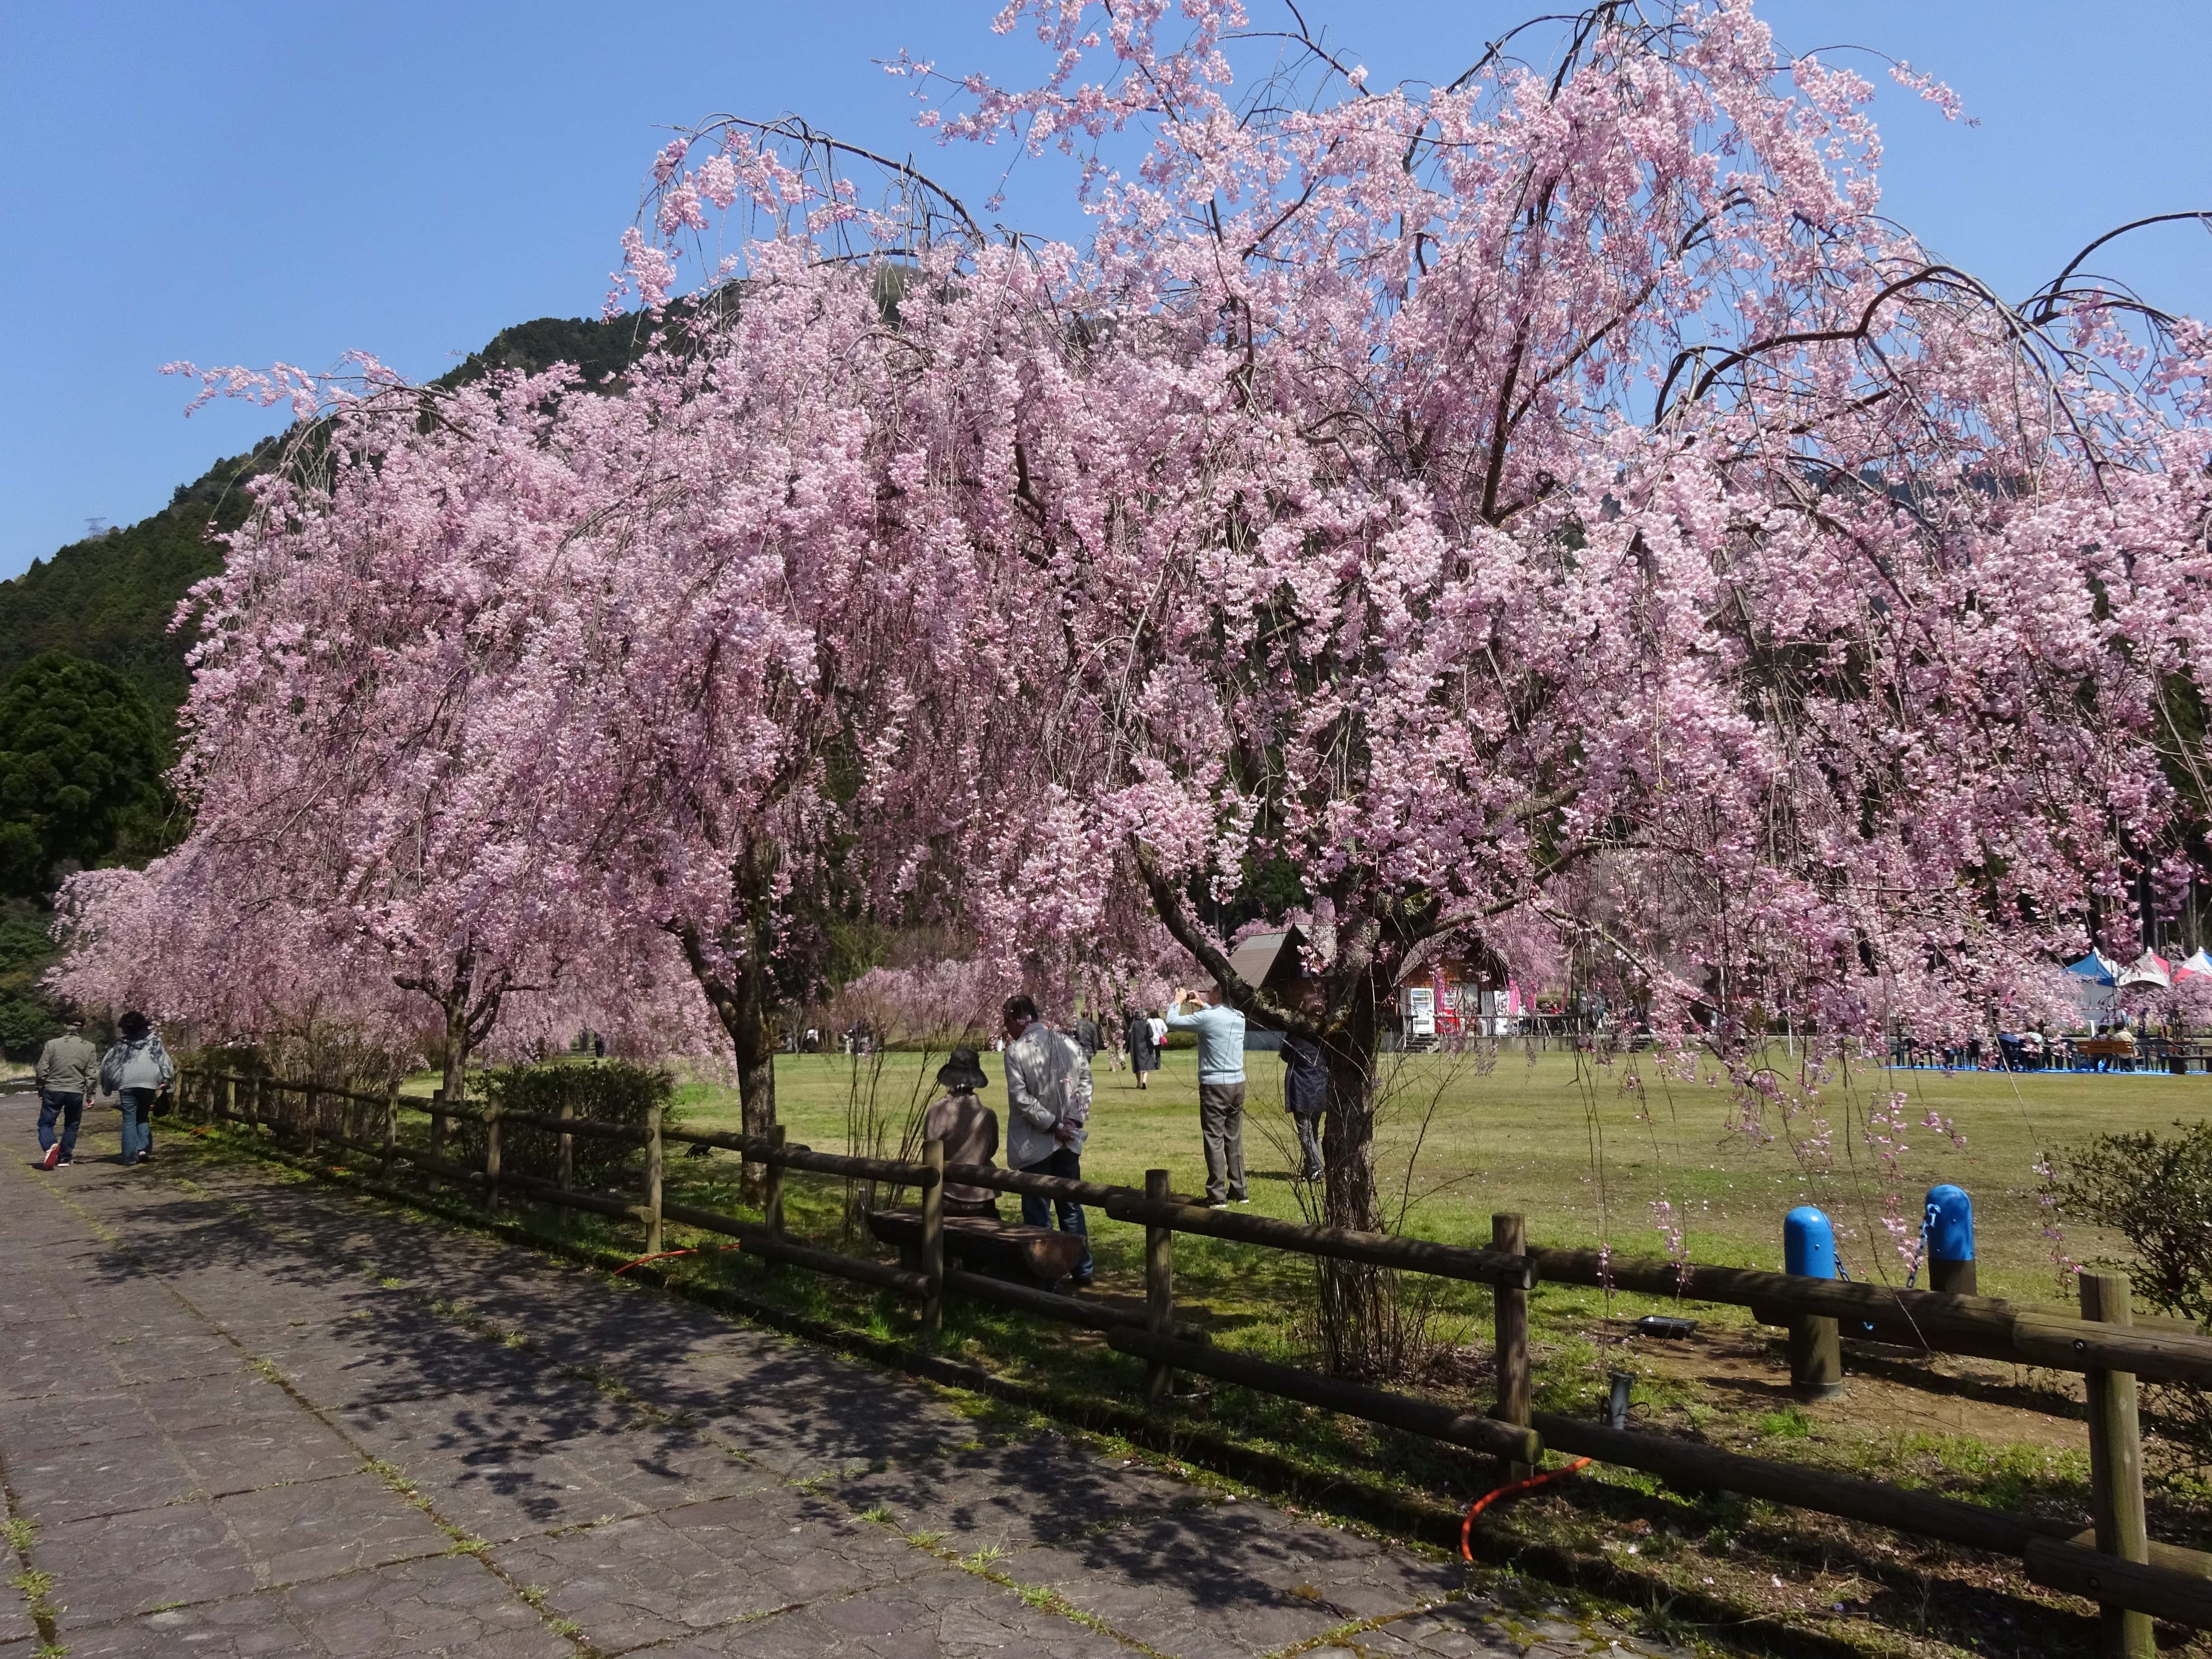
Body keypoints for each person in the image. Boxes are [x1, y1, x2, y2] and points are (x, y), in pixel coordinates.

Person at [1001, 994, 1094, 1286]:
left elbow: (1021, 1100)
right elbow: (1086, 1085)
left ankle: (1047, 1276)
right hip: (1067, 1140)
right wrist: (1073, 1121)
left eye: (1007, 1022)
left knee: (1038, 1211)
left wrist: (1054, 1125)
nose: (1007, 1029)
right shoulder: (1069, 1044)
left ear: (1019, 1019)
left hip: (1036, 1143)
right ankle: (1083, 1269)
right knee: (1070, 1205)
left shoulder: (1016, 1052)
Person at [1166, 984, 1248, 1207]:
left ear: (1219, 995)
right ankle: (1240, 1190)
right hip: (1237, 1083)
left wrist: (1178, 1000)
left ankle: (1217, 1194)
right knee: (1233, 1137)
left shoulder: (1208, 1019)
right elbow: (1215, 1017)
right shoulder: (1239, 1016)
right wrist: (1204, 1005)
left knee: (1214, 1139)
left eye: (1210, 991)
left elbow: (1172, 1021)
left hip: (1215, 1085)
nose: (1206, 994)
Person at [925, 1046, 1003, 1218]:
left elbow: (930, 1149)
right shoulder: (988, 1116)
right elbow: (992, 1150)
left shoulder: (936, 1111)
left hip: (945, 1195)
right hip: (981, 1196)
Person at [100, 1010, 174, 1167]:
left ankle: (129, 1156)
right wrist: (168, 1078)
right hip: (148, 1083)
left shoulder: (121, 1045)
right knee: (143, 1116)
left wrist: (106, 1085)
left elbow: (109, 1065)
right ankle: (143, 1149)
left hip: (126, 1084)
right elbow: (164, 1062)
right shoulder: (154, 1041)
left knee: (129, 1119)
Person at [33, 1011, 98, 1170]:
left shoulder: (52, 1044)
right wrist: (91, 1095)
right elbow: (92, 1074)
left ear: (65, 1026)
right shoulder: (90, 1047)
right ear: (83, 1027)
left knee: (46, 1123)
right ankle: (64, 1157)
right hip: (76, 1090)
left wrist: (41, 1087)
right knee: (72, 1125)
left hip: (53, 1089)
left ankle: (50, 1145)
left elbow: (42, 1069)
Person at [1279, 1031, 1327, 1182]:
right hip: (1320, 1087)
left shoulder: (1296, 1037)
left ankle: (1316, 1169)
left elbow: (1285, 1054)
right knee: (1312, 1130)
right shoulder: (1324, 1036)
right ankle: (1310, 1169)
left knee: (1305, 1133)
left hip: (1302, 1089)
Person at [1124, 1006, 1159, 1089]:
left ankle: (1139, 1083)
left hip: (1135, 1047)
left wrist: (1127, 1048)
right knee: (1146, 1065)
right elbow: (1151, 1035)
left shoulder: (1132, 1024)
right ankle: (1144, 1080)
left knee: (1137, 1066)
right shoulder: (1146, 1023)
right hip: (1145, 1047)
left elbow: (1128, 1036)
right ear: (1143, 1016)